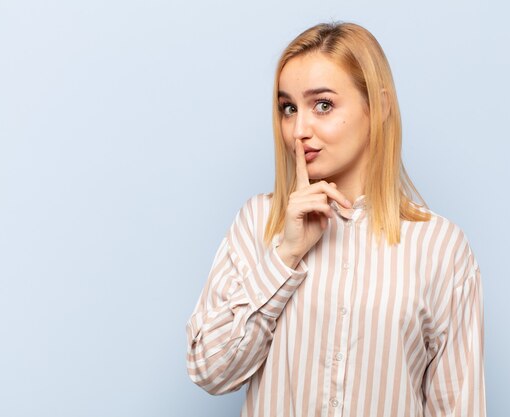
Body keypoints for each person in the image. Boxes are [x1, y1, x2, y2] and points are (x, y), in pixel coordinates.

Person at [186, 21, 486, 417]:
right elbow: (211, 371)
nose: (298, 130)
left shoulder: (440, 246)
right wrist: (285, 255)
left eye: (322, 105)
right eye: (288, 108)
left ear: (378, 107)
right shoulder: (258, 223)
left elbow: (457, 407)